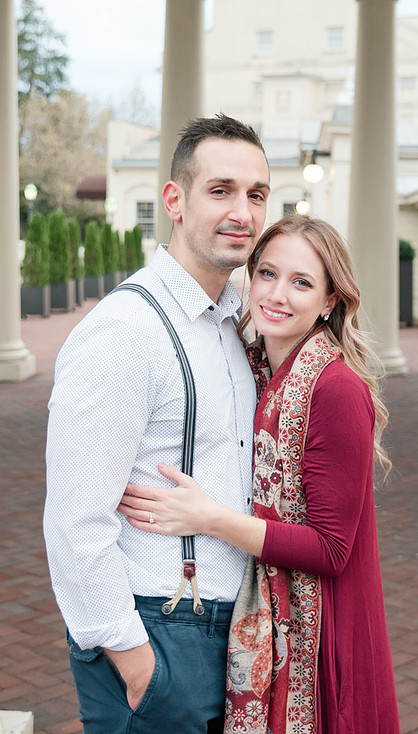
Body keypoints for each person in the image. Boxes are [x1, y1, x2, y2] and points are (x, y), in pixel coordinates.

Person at [117, 214, 402, 734]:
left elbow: (331, 550)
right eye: (267, 273)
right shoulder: (252, 368)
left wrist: (207, 517)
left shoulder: (335, 389)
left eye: (302, 282)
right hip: (262, 615)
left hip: (322, 632)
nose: (277, 294)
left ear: (330, 301)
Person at [44, 114, 270, 734]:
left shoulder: (233, 324)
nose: (243, 213)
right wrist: (138, 663)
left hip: (228, 630)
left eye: (256, 194)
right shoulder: (123, 332)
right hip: (156, 629)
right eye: (220, 190)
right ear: (174, 200)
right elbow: (75, 521)